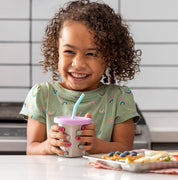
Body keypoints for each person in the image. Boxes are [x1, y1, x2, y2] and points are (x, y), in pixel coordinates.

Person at [20, 0, 141, 156]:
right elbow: (32, 149)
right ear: (58, 49)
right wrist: (48, 146)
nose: (78, 64)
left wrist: (96, 145)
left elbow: (125, 149)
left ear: (109, 57)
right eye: (69, 51)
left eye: (91, 54)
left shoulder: (119, 98)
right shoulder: (42, 95)